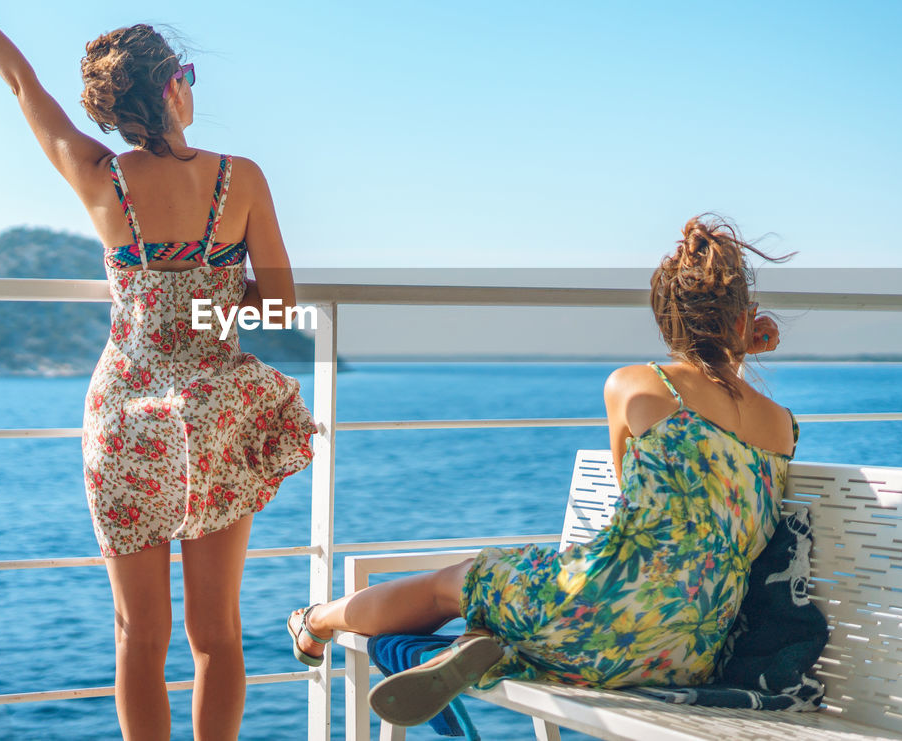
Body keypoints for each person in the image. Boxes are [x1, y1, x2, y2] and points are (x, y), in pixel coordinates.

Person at [0, 0, 317, 741]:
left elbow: (22, 85)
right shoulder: (239, 180)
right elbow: (278, 307)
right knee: (216, 632)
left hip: (124, 420)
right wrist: (218, 295)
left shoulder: (100, 178)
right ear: (175, 89)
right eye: (189, 75)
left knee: (137, 636)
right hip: (212, 416)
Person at [286, 215, 796, 727]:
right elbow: (726, 418)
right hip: (689, 654)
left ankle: (316, 621)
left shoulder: (637, 386)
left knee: (456, 583)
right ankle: (483, 643)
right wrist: (736, 351)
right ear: (745, 320)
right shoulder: (782, 428)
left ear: (666, 323)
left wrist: (729, 345)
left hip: (602, 613)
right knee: (517, 600)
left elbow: (634, 492)